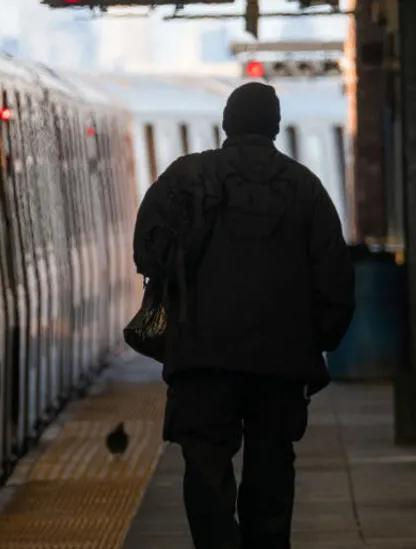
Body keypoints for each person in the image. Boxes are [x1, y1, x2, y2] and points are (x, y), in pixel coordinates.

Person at [131, 82, 355, 549]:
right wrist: (320, 338)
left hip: (201, 358)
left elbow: (148, 253)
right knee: (272, 464)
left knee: (206, 464)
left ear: (226, 124)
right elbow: (335, 275)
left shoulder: (185, 177)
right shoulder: (305, 188)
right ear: (275, 127)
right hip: (281, 362)